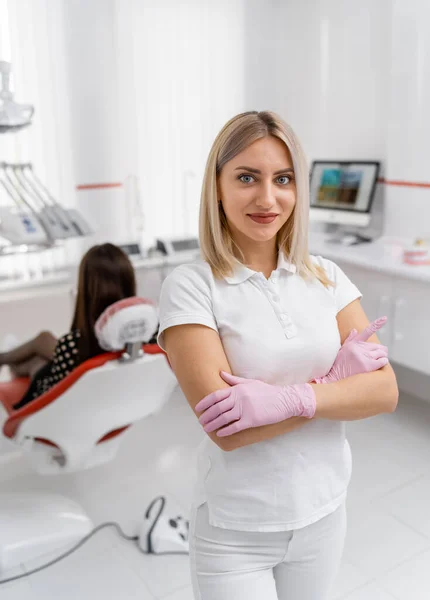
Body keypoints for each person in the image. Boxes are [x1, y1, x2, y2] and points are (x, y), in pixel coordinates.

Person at [156, 111, 398, 600]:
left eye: (282, 179)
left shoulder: (326, 276)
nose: (268, 198)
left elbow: (385, 391)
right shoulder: (191, 287)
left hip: (326, 513)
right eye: (247, 177)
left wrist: (291, 400)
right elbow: (228, 431)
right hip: (235, 531)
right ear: (217, 188)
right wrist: (334, 385)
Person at [0, 243, 155, 409]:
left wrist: (40, 372)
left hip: (68, 402)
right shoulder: (149, 333)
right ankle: (7, 358)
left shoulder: (73, 344)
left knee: (37, 362)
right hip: (111, 397)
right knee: (43, 341)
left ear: (86, 288)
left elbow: (49, 395)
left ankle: (7, 359)